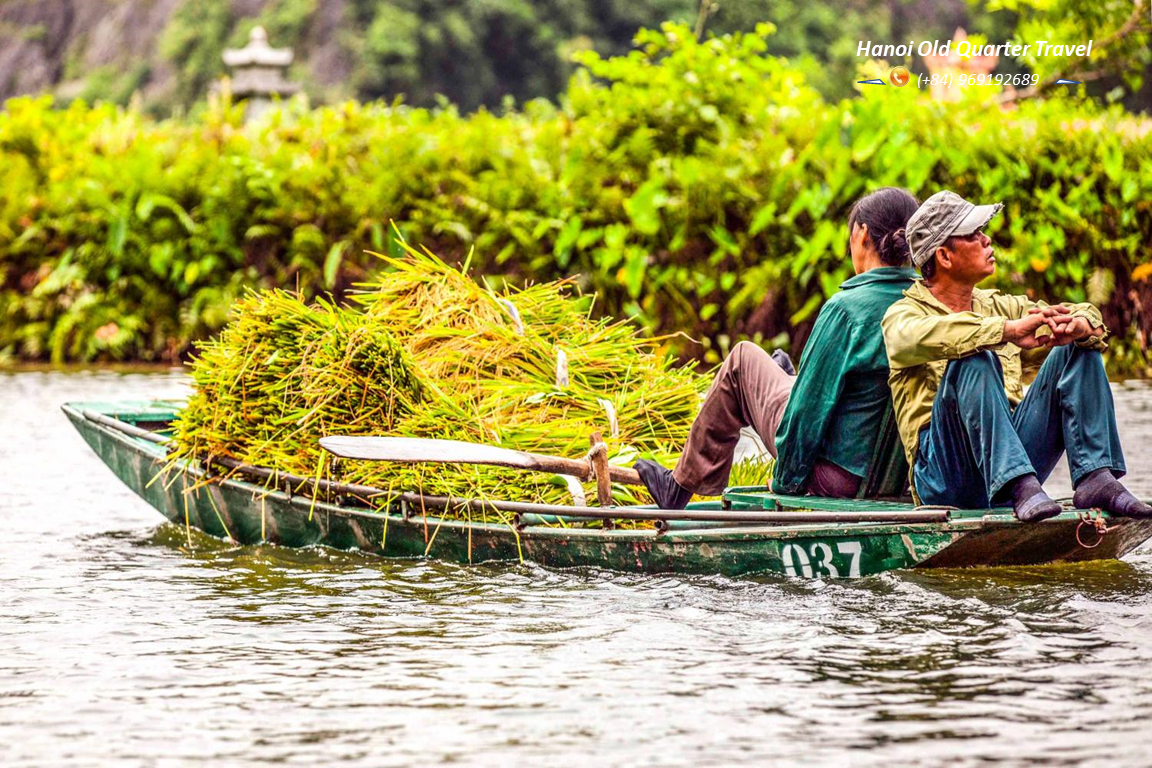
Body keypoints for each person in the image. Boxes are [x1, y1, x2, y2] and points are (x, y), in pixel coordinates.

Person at [635, 187, 920, 508]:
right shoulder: (928, 303)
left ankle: (679, 487)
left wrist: (786, 482)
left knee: (743, 360)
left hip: (836, 477)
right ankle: (784, 378)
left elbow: (807, 412)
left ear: (862, 234)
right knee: (785, 374)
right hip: (896, 476)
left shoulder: (847, 310)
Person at [881, 190, 1151, 522]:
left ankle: (1095, 477)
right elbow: (911, 339)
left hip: (1013, 462)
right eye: (973, 235)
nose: (987, 239)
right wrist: (1005, 331)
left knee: (1078, 348)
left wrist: (1080, 325)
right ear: (944, 257)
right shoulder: (902, 314)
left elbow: (1081, 312)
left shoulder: (998, 305)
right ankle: (1019, 486)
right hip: (945, 477)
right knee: (974, 357)